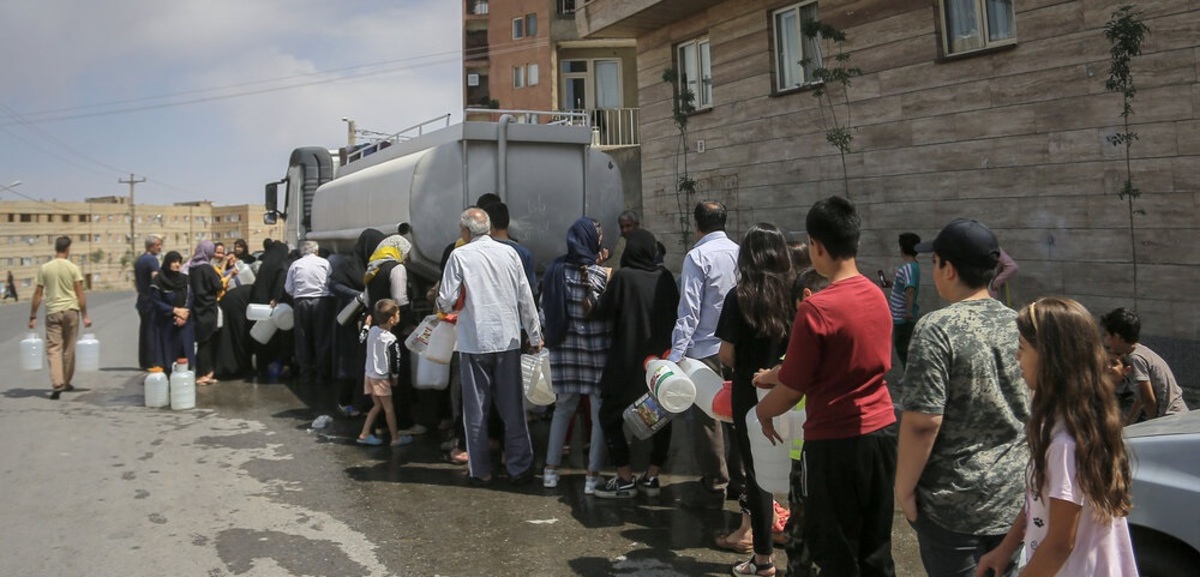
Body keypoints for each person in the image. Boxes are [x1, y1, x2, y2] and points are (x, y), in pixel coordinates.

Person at [753, 196, 897, 577]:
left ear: (816, 246)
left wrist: (761, 412)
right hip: (881, 434)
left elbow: (791, 389)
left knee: (836, 553)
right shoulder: (877, 296)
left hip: (836, 443)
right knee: (876, 548)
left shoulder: (816, 309)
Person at [895, 218, 1030, 577]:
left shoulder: (936, 328)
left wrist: (904, 488)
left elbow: (923, 422)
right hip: (1013, 499)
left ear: (948, 269)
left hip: (954, 506)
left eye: (935, 261)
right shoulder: (1018, 322)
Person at [976, 297, 1137, 577]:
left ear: (1051, 360)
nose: (1017, 357)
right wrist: (1005, 548)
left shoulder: (1064, 444)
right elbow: (1037, 498)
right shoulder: (1073, 420)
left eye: (1022, 348)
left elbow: (1060, 544)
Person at [437, 207, 542, 486]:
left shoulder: (459, 256)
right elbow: (525, 297)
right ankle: (519, 467)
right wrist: (534, 334)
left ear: (466, 231)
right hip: (508, 339)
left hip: (474, 342)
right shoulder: (510, 253)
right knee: (513, 408)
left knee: (476, 410)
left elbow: (445, 300)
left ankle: (480, 470)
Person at [714, 223, 794, 576]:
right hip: (791, 394)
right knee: (798, 473)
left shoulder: (739, 295)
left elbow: (726, 354)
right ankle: (803, 553)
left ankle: (763, 562)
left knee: (758, 475)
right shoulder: (795, 293)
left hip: (750, 395)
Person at [592, 229, 679, 499]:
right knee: (662, 417)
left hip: (626, 362)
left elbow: (601, 313)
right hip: (658, 365)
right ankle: (652, 475)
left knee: (610, 415)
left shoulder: (623, 278)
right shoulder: (664, 277)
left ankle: (624, 476)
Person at [670, 200, 744, 506]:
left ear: (697, 225)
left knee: (708, 420)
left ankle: (716, 481)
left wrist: (675, 356)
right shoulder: (742, 252)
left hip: (706, 349)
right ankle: (741, 479)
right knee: (739, 414)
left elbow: (689, 310)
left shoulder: (697, 256)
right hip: (738, 347)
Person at [540, 217, 612, 494]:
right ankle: (592, 477)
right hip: (597, 355)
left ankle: (550, 472)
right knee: (597, 414)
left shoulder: (554, 272)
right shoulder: (599, 274)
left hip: (564, 354)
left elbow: (544, 315)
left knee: (562, 410)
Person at [27, 236, 92, 400]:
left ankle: (57, 383)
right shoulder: (73, 268)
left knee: (53, 349)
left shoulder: (45, 268)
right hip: (71, 311)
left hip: (53, 312)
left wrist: (33, 315)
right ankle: (66, 382)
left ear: (56, 248)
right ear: (68, 249)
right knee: (69, 348)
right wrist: (85, 315)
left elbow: (38, 294)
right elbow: (79, 294)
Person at [1099, 307, 1189, 424]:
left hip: (1170, 417)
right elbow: (1140, 397)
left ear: (1117, 337)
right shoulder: (1140, 351)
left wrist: (1152, 427)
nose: (1106, 341)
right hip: (1176, 415)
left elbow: (1149, 399)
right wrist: (1128, 421)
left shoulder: (1136, 359)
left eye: (1106, 336)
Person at [330, 229, 386, 416]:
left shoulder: (376, 264)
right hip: (349, 319)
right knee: (349, 361)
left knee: (364, 363)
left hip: (367, 320)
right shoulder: (348, 264)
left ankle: (362, 403)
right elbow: (334, 285)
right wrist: (358, 296)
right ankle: (345, 402)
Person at [357, 299, 415, 447]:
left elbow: (361, 339)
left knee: (376, 406)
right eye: (398, 313)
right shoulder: (391, 339)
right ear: (392, 319)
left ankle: (364, 433)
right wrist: (395, 377)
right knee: (389, 409)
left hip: (369, 375)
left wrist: (366, 325)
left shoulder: (372, 332)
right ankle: (395, 438)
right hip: (381, 378)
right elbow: (395, 361)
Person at [286, 240, 335, 383]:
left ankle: (305, 373)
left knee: (302, 338)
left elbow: (288, 288)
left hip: (301, 301)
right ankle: (322, 373)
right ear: (316, 251)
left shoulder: (295, 265)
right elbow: (331, 283)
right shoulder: (325, 263)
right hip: (322, 301)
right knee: (322, 338)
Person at [151, 251, 195, 374]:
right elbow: (156, 301)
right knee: (169, 359)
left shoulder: (185, 279)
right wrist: (174, 311)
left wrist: (185, 313)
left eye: (179, 262)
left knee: (185, 357)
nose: (177, 265)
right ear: (167, 263)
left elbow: (191, 297)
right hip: (167, 323)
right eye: (174, 262)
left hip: (184, 322)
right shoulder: (158, 280)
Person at [187, 241, 224, 385]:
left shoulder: (193, 267)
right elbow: (217, 285)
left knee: (202, 341)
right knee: (206, 343)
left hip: (197, 307)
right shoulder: (207, 268)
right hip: (208, 307)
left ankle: (204, 372)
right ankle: (203, 374)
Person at [888, 232, 921, 370]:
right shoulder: (913, 266)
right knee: (904, 344)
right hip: (901, 314)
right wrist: (892, 284)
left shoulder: (908, 268)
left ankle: (909, 374)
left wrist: (907, 312)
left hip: (902, 316)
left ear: (902, 248)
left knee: (902, 346)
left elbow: (910, 290)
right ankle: (908, 372)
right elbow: (905, 286)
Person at [135, 234, 163, 369]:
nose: (160, 248)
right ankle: (152, 361)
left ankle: (144, 361)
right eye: (158, 245)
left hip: (142, 298)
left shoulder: (139, 260)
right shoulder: (152, 260)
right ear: (151, 246)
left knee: (144, 330)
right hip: (151, 299)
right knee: (152, 331)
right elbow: (155, 277)